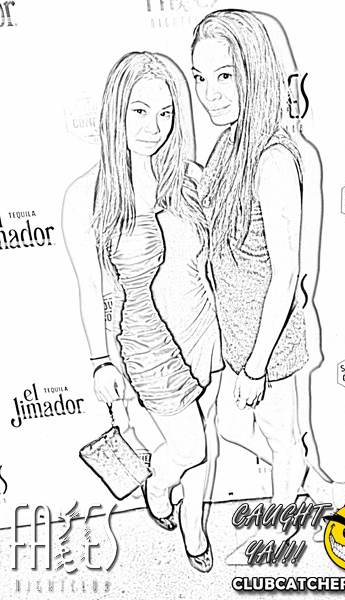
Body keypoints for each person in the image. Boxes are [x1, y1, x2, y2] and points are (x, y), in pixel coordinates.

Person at [191, 10, 345, 560]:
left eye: (226, 75)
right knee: (235, 426)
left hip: (271, 337)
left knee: (282, 443)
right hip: (237, 333)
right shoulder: (228, 146)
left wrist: (257, 366)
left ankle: (277, 542)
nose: (211, 93)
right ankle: (324, 490)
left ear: (255, 73)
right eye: (201, 77)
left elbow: (286, 274)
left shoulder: (272, 159)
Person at [62, 51, 223, 572]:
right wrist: (99, 361)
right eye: (139, 110)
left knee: (206, 434)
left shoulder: (191, 179)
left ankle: (194, 525)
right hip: (146, 338)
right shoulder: (86, 195)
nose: (154, 126)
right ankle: (159, 482)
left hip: (203, 325)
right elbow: (91, 288)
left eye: (166, 112)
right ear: (115, 111)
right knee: (190, 446)